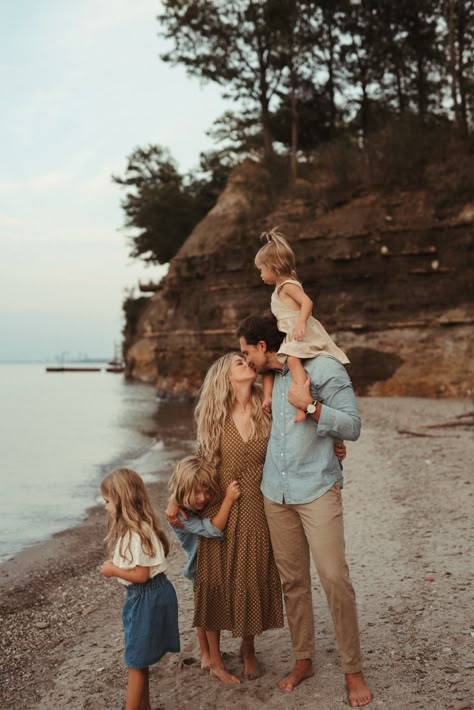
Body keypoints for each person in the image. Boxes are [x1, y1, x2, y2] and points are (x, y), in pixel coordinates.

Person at [237, 313, 373, 708]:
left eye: (247, 352)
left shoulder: (324, 368)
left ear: (263, 347)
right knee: (293, 582)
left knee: (334, 577)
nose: (244, 359)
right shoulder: (270, 377)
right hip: (275, 493)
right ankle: (303, 660)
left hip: (317, 488)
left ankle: (353, 669)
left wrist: (312, 406)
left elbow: (353, 426)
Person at [166, 352, 284, 685]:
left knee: (252, 575)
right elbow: (198, 464)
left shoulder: (267, 405)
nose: (247, 364)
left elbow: (291, 441)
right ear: (225, 377)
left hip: (259, 507)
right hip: (220, 506)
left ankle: (248, 648)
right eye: (239, 363)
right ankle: (215, 659)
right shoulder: (214, 416)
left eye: (248, 361)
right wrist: (176, 499)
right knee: (214, 580)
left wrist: (333, 447)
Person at [100, 468, 180, 710]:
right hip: (153, 595)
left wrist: (113, 570)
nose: (105, 507)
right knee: (139, 661)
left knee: (135, 663)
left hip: (146, 597)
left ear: (121, 501)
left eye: (107, 502)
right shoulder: (139, 528)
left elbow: (141, 575)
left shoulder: (136, 533)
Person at [255, 227, 349, 422]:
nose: (261, 275)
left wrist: (300, 323)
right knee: (272, 365)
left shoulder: (288, 285)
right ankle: (270, 398)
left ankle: (301, 402)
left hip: (299, 333)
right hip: (289, 333)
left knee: (292, 360)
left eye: (262, 270)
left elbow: (307, 302)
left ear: (273, 267)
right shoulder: (281, 287)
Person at [167, 455, 241, 672]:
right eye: (196, 493)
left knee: (211, 608)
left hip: (217, 562)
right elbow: (214, 529)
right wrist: (227, 500)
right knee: (204, 612)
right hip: (197, 567)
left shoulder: (193, 499)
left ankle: (210, 652)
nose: (202, 498)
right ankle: (206, 653)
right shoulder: (181, 517)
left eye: (207, 491)